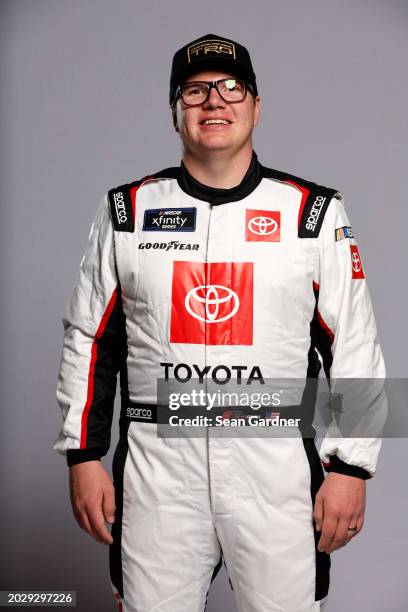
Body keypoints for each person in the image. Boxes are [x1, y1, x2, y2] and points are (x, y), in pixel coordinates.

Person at [54, 34, 386, 612]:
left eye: (232, 88)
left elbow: (355, 345)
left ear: (256, 106)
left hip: (276, 472)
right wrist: (83, 458)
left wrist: (351, 467)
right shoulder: (128, 213)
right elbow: (89, 338)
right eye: (195, 90)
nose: (215, 101)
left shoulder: (312, 214)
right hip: (159, 473)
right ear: (175, 112)